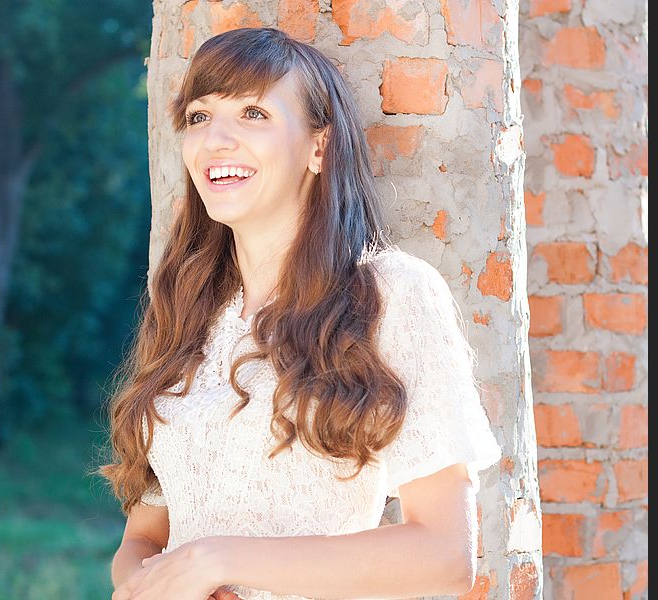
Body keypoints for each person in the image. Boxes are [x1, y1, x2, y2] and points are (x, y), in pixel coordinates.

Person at [100, 27, 502, 600]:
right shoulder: (187, 303)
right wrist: (148, 583)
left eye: (253, 114)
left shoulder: (390, 296)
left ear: (319, 146)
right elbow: (143, 535)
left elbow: (443, 558)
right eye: (198, 116)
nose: (216, 138)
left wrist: (214, 560)